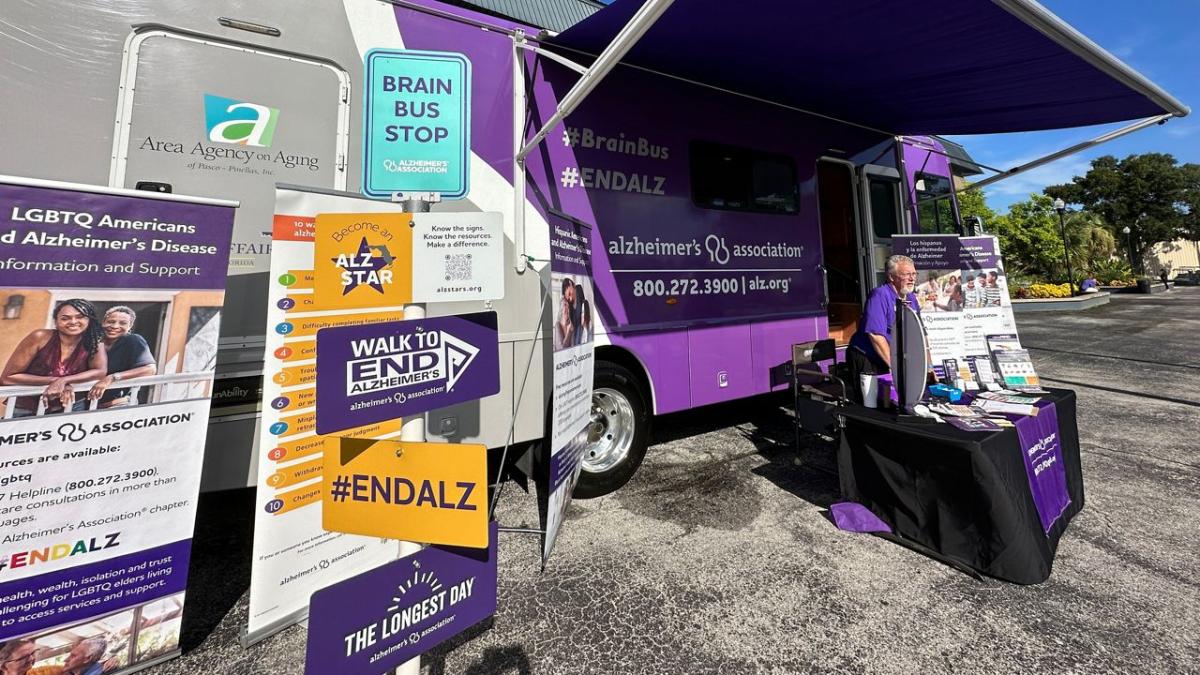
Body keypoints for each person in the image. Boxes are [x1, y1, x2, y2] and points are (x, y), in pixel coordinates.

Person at [1, 299, 107, 416]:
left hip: (72, 404)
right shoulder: (40, 337)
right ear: (56, 322)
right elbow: (8, 378)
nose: (73, 321)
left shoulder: (94, 341)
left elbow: (100, 371)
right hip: (28, 406)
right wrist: (55, 381)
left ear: (89, 320)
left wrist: (65, 380)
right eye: (65, 318)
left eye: (80, 317)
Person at [847, 255, 921, 404]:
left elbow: (920, 333)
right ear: (891, 277)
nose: (912, 278)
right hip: (867, 357)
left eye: (914, 274)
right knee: (871, 405)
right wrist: (896, 367)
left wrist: (928, 366)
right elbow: (875, 335)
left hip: (890, 356)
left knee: (891, 402)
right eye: (907, 274)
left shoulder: (911, 298)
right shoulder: (879, 295)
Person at [86, 306, 157, 408]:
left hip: (117, 405)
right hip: (88, 405)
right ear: (103, 322)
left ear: (130, 327)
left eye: (122, 323)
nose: (115, 326)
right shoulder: (94, 342)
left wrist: (112, 377)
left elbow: (150, 370)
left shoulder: (133, 340)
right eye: (110, 321)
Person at [26, 636, 106, 675]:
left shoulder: (104, 671)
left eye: (73, 656)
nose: (66, 659)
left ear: (87, 659)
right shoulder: (66, 671)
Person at [555, 278, 576, 349]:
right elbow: (561, 349)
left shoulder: (570, 324)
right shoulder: (558, 325)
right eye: (569, 294)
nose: (570, 298)